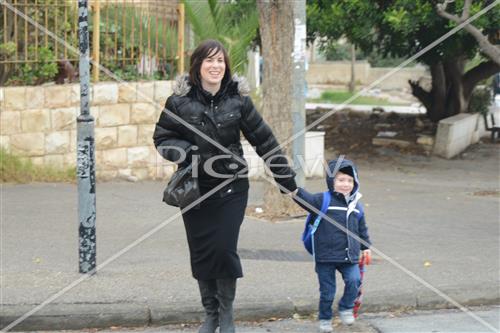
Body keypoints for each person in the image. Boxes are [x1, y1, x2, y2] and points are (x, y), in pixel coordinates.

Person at [153, 39, 297, 333]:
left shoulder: (239, 100)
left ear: (226, 67)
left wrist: (286, 179)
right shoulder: (179, 102)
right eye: (209, 60)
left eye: (220, 61)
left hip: (232, 188)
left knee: (224, 248)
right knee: (202, 251)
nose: (216, 66)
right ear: (197, 66)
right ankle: (211, 314)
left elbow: (264, 140)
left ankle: (226, 313)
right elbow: (162, 138)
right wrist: (189, 153)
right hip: (195, 190)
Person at [289, 158, 371, 333]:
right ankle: (325, 318)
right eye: (341, 180)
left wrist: (366, 247)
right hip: (325, 257)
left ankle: (346, 307)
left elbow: (362, 229)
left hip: (350, 256)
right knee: (327, 292)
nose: (345, 184)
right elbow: (305, 198)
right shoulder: (322, 200)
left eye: (350, 180)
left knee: (354, 281)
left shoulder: (357, 206)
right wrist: (292, 188)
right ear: (331, 181)